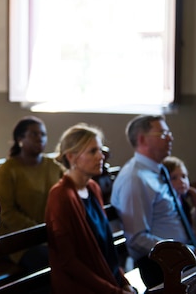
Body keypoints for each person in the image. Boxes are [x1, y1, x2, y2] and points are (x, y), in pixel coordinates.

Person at [110, 115, 196, 289]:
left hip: (183, 252)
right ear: (142, 139)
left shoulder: (156, 169)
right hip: (161, 264)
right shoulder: (135, 179)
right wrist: (187, 251)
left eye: (169, 132)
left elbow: (165, 204)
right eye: (162, 133)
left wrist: (190, 191)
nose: (170, 137)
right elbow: (137, 238)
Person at [45, 123, 136, 294]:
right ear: (71, 157)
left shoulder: (93, 188)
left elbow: (106, 249)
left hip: (106, 281)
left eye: (100, 150)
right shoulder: (61, 195)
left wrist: (123, 282)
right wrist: (115, 291)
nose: (101, 156)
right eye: (93, 151)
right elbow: (68, 261)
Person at [0, 116, 61, 270]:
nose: (40, 138)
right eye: (34, 134)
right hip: (20, 241)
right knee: (53, 261)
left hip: (52, 235)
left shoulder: (53, 166)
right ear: (20, 139)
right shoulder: (8, 169)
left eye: (43, 134)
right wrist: (41, 232)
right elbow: (6, 211)